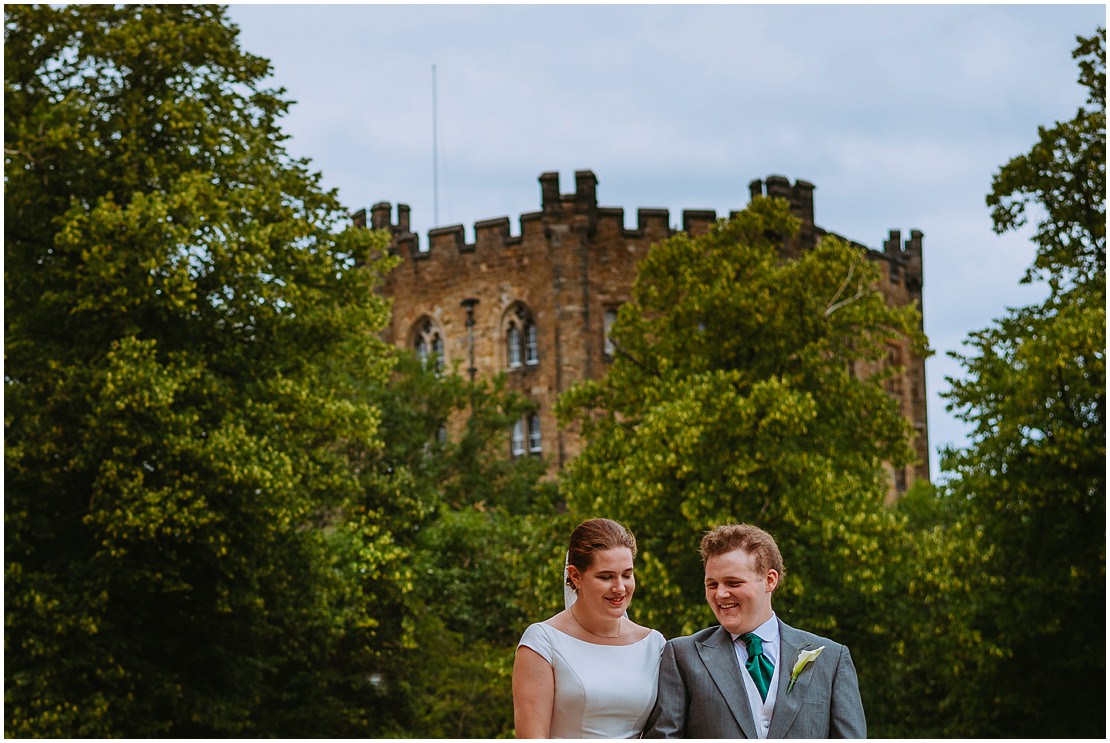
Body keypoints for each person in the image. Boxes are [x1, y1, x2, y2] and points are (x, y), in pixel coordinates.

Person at [643, 524, 866, 739]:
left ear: (770, 580)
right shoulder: (683, 655)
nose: (720, 594)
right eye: (712, 585)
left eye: (733, 583)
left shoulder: (831, 660)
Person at [512, 518, 666, 738]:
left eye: (627, 574)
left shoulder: (654, 644)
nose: (620, 588)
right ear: (575, 576)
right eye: (606, 577)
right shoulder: (542, 642)